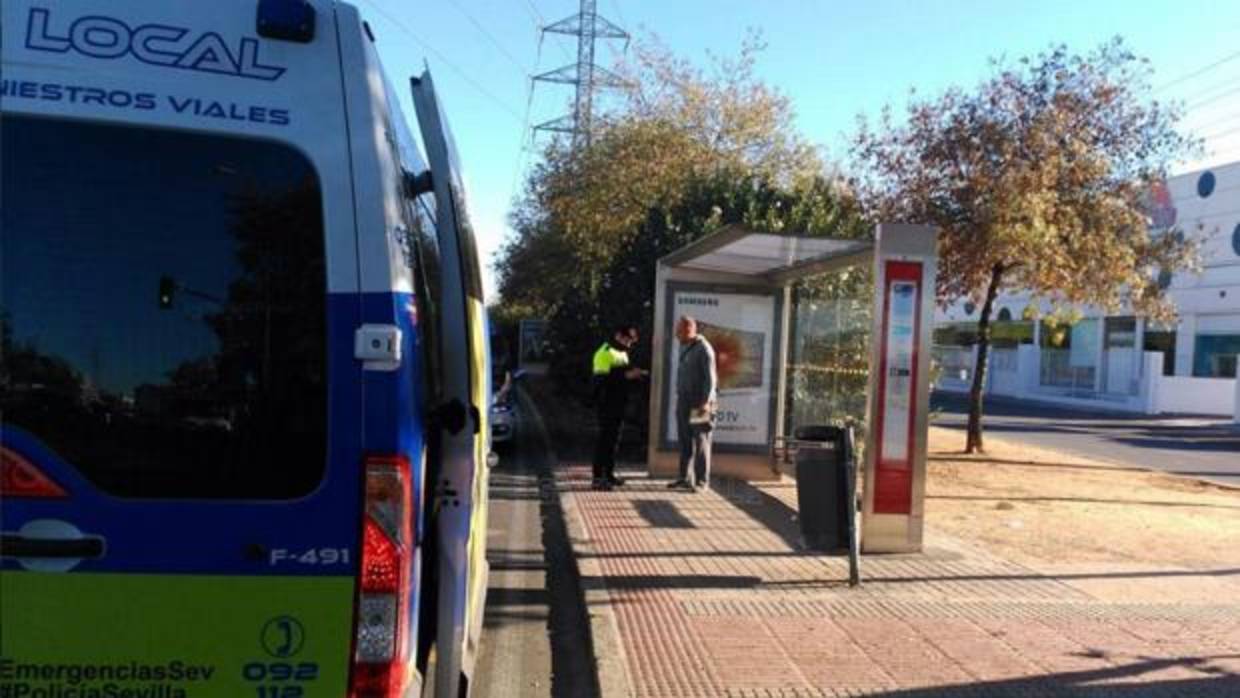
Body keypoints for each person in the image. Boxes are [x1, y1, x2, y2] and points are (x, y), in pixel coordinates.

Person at [591, 323, 647, 490]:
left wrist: (637, 374)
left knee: (614, 440)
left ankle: (609, 474)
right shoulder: (604, 353)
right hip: (606, 403)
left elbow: (624, 374)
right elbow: (600, 381)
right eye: (627, 340)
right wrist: (627, 375)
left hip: (620, 404)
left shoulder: (622, 353)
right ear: (618, 336)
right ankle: (597, 477)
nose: (629, 344)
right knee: (604, 440)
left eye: (631, 341)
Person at [669, 315, 717, 491]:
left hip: (700, 402)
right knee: (684, 439)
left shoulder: (704, 349)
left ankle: (701, 482)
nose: (676, 334)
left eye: (679, 331)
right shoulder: (685, 346)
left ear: (689, 329)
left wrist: (706, 402)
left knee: (701, 441)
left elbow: (711, 379)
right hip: (684, 400)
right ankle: (684, 477)